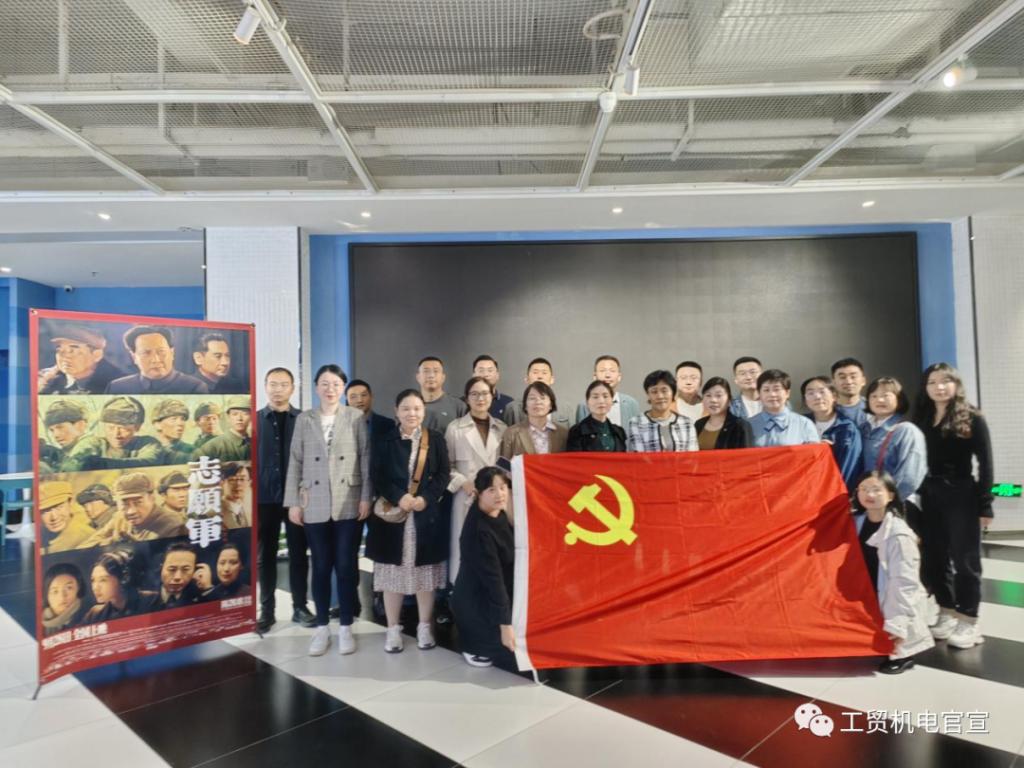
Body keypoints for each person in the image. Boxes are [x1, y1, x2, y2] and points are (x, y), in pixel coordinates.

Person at [283, 364, 371, 656]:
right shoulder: (304, 419)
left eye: (335, 383)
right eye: (324, 383)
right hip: (314, 500)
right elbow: (295, 460)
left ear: (343, 387)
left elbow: (365, 459)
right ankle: (322, 627)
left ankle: (345, 626)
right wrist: (293, 502)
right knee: (320, 566)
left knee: (346, 565)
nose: (330, 388)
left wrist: (366, 497)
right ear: (316, 387)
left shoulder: (355, 417)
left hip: (349, 498)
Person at [914, 363, 993, 650]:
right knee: (935, 558)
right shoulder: (923, 417)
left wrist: (985, 505)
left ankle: (969, 620)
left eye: (945, 381)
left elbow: (986, 463)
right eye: (932, 382)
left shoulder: (972, 417)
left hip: (961, 494)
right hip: (929, 494)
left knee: (965, 561)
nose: (939, 387)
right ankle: (946, 611)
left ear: (956, 384)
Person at [366, 389, 451, 654]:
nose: (411, 413)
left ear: (423, 411)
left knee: (425, 575)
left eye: (416, 408)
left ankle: (424, 626)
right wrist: (399, 496)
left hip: (426, 517)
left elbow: (443, 474)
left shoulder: (435, 439)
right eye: (405, 408)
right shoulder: (384, 439)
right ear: (396, 411)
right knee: (393, 574)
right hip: (393, 518)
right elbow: (377, 475)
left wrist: (426, 498)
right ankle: (393, 629)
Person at [852, 471, 934, 674]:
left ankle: (904, 655)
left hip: (895, 592)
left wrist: (898, 625)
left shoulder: (899, 533)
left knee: (897, 630)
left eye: (876, 490)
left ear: (890, 495)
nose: (869, 494)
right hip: (870, 587)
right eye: (864, 489)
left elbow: (904, 582)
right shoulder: (856, 522)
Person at [256, 367, 314, 631]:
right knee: (265, 556)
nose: (277, 389)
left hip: (296, 499)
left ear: (293, 388)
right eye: (273, 384)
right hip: (264, 498)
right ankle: (266, 610)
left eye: (283, 384)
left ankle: (300, 607)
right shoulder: (254, 421)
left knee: (298, 554)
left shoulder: (305, 420)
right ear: (265, 386)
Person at [452, 467, 517, 670]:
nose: (500, 494)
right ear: (479, 493)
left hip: (495, 596)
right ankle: (473, 644)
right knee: (504, 652)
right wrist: (505, 626)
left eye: (503, 488)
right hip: (477, 601)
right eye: (491, 490)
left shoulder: (498, 513)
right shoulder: (479, 530)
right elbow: (493, 581)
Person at [445, 377, 507, 584]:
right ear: (467, 398)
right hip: (467, 496)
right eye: (474, 394)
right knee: (465, 551)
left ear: (492, 396)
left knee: (493, 552)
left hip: (495, 499)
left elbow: (506, 466)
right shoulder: (455, 428)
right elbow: (446, 466)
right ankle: (462, 594)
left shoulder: (502, 428)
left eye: (485, 394)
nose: (480, 398)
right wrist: (464, 482)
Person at [860, 377, 927, 510]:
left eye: (886, 395)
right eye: (874, 396)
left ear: (899, 399)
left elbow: (909, 478)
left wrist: (888, 502)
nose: (879, 400)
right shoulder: (863, 429)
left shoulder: (906, 431)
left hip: (896, 504)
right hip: (869, 504)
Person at [83, 472, 188, 547]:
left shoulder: (173, 525)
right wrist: (112, 541)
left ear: (152, 498)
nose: (131, 511)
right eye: (124, 504)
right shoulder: (119, 517)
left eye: (138, 502)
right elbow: (87, 545)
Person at [62, 396, 165, 471]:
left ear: (137, 427)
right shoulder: (93, 443)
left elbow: (150, 462)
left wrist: (101, 464)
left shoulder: (147, 443)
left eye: (124, 429)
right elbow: (72, 465)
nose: (116, 434)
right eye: (110, 428)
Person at [107, 325, 209, 394]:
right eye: (146, 353)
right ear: (134, 357)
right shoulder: (117, 388)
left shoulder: (194, 387)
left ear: (172, 353)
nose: (156, 359)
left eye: (161, 352)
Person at [801, 376, 863, 489]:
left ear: (834, 396)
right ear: (805, 400)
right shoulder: (799, 424)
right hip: (805, 489)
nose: (817, 397)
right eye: (810, 393)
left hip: (835, 491)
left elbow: (849, 468)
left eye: (822, 392)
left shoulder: (847, 428)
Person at [38, 324, 124, 395]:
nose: (65, 356)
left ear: (97, 355)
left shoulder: (119, 384)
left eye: (73, 350)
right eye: (59, 350)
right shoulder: (42, 379)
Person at [627, 370, 698, 453]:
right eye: (654, 392)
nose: (660, 396)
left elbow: (692, 456)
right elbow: (636, 456)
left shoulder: (687, 423)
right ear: (648, 395)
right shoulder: (636, 423)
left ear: (673, 393)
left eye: (664, 391)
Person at [82, 550, 159, 623]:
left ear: (123, 578)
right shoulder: (95, 615)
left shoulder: (152, 601)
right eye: (93, 580)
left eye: (103, 580)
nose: (95, 587)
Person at [748, 370, 820, 447]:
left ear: (787, 393)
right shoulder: (748, 425)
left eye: (776, 389)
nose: (772, 394)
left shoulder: (804, 423)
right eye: (766, 390)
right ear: (759, 394)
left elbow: (814, 452)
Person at [499, 381, 568, 458]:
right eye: (532, 398)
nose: (538, 402)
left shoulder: (563, 434)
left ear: (551, 405)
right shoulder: (511, 433)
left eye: (542, 398)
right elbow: (504, 463)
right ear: (525, 405)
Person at [573, 355, 642, 428]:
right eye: (602, 371)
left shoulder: (631, 403)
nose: (607, 375)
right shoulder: (584, 405)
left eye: (612, 371)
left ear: (619, 377)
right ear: (595, 376)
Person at [501, 358, 572, 427]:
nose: (540, 376)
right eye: (535, 372)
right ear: (527, 379)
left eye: (544, 373)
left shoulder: (565, 408)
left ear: (552, 380)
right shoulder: (513, 408)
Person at [567, 380, 628, 452]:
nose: (601, 401)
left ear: (612, 401)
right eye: (595, 397)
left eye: (605, 396)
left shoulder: (619, 432)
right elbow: (574, 458)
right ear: (587, 402)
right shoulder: (577, 431)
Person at [694, 377, 753, 450]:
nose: (713, 400)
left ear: (729, 400)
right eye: (708, 395)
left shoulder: (740, 426)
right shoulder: (698, 424)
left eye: (718, 395)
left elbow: (747, 455)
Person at [39, 481, 93, 554]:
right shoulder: (39, 536)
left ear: (70, 503)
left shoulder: (88, 538)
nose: (54, 517)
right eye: (46, 510)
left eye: (59, 507)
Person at [192, 396, 251, 461]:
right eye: (235, 414)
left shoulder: (256, 443)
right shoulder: (212, 446)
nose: (239, 418)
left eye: (245, 414)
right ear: (228, 417)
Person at [417, 356, 467, 433]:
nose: (431, 375)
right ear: (418, 377)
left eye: (436, 371)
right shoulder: (409, 407)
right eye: (426, 371)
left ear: (443, 377)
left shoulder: (458, 406)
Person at [41, 563, 88, 636]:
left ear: (79, 588)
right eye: (55, 591)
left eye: (69, 588)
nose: (62, 597)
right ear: (46, 595)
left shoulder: (90, 617)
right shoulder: (37, 620)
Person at [42, 399, 90, 470]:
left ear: (80, 425)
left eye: (60, 427)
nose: (55, 435)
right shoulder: (65, 454)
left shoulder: (90, 449)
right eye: (52, 430)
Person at [345, 379, 395, 444]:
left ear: (371, 397)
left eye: (363, 395)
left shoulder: (388, 424)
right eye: (353, 397)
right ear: (347, 401)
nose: (359, 400)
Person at [157, 542, 201, 609]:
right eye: (172, 569)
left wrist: (208, 589)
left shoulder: (200, 596)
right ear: (161, 568)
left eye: (185, 569)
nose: (178, 577)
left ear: (195, 570)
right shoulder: (144, 596)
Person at [150, 399, 193, 464]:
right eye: (174, 419)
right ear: (157, 424)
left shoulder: (191, 451)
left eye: (182, 419)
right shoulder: (146, 451)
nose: (180, 423)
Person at [472, 355, 514, 420]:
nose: (486, 374)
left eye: (490, 370)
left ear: (497, 375)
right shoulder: (462, 404)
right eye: (481, 371)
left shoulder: (509, 403)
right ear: (473, 375)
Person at [832, 357, 868, 427]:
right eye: (842, 377)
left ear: (863, 381)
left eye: (853, 377)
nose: (848, 382)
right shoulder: (826, 411)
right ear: (834, 382)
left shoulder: (873, 408)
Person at [220, 463, 253, 529]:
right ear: (221, 483)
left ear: (249, 482)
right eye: (232, 479)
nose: (238, 484)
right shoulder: (214, 513)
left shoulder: (251, 510)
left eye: (242, 479)